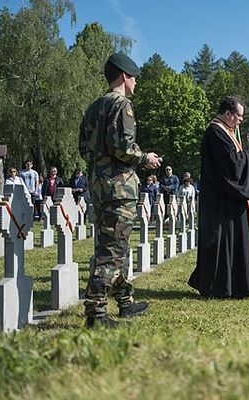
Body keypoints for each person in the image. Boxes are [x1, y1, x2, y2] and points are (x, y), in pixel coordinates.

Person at [79, 52, 161, 328]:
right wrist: (145, 157)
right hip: (119, 188)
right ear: (124, 76)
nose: (136, 82)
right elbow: (123, 147)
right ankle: (96, 314)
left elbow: (83, 149)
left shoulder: (93, 107)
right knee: (112, 253)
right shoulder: (122, 104)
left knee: (115, 248)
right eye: (134, 77)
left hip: (99, 187)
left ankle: (125, 303)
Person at [188, 96, 249, 298]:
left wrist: (247, 155)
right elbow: (231, 166)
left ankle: (235, 283)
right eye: (239, 116)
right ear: (228, 114)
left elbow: (234, 161)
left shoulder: (227, 132)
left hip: (228, 199)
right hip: (220, 201)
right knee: (222, 242)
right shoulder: (216, 131)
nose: (241, 120)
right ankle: (220, 286)